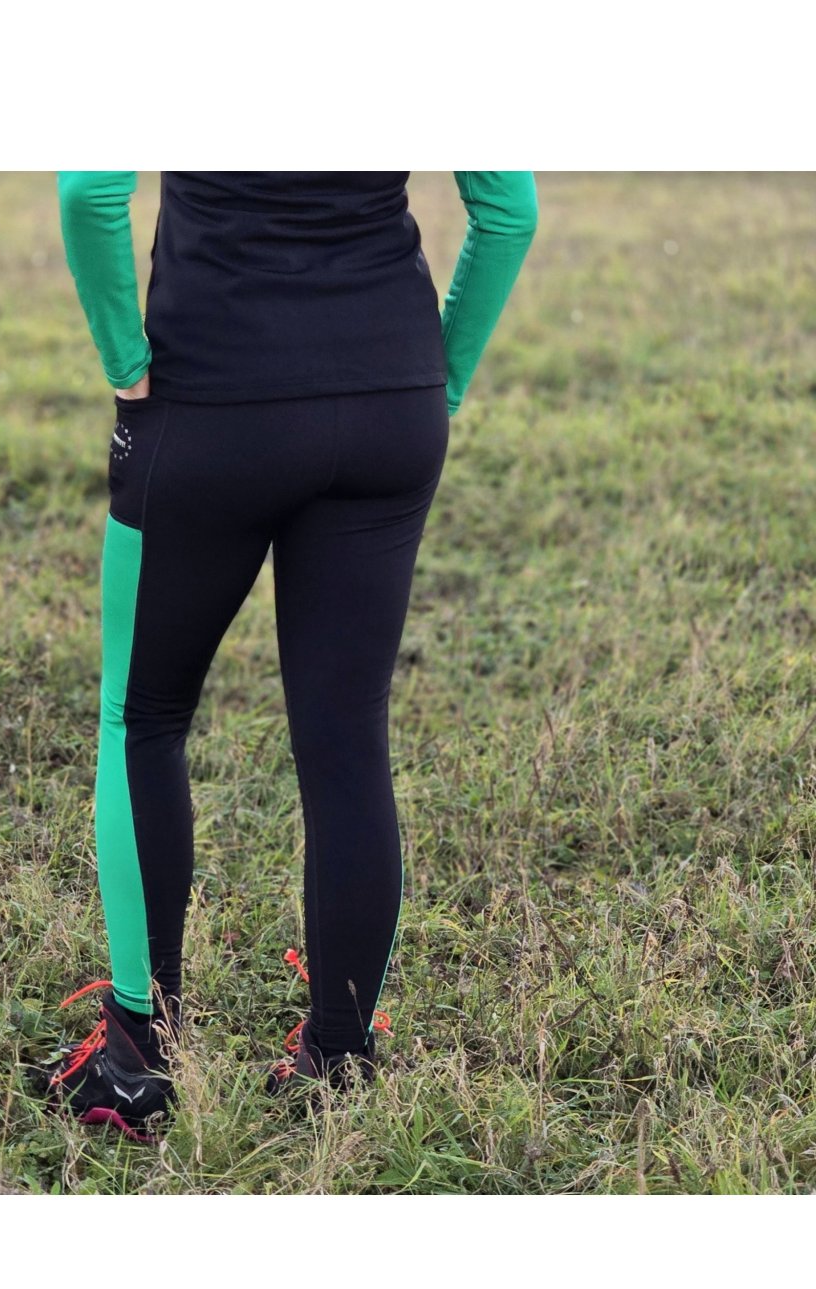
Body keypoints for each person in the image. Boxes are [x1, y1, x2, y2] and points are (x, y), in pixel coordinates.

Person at [41, 171, 538, 1140]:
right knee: (347, 737)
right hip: (388, 407)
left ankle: (137, 1058)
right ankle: (338, 1060)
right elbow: (508, 210)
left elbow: (89, 190)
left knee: (142, 717)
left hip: (208, 403)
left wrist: (125, 367)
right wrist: (436, 378)